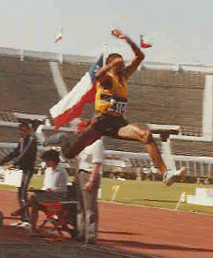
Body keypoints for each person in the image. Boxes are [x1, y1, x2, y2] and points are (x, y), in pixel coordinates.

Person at [45, 29, 185, 186]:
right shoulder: (108, 79)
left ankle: (165, 174)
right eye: (118, 66)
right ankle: (63, 138)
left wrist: (128, 40)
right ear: (112, 67)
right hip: (101, 122)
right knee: (70, 153)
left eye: (122, 65)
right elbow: (97, 76)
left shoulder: (123, 76)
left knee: (146, 134)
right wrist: (111, 64)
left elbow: (140, 57)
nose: (122, 68)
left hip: (118, 123)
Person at [0, 121, 37, 226]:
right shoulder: (21, 141)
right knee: (20, 193)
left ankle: (27, 219)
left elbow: (25, 154)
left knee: (23, 193)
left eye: (24, 130)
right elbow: (15, 153)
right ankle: (23, 218)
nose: (21, 132)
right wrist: (1, 162)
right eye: (20, 130)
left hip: (28, 170)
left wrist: (13, 163)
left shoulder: (31, 140)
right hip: (21, 170)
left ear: (28, 131)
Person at [75, 119, 104, 244]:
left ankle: (90, 236)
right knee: (80, 207)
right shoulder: (83, 143)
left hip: (89, 175)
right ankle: (81, 233)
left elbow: (97, 164)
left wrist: (91, 181)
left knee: (90, 208)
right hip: (81, 174)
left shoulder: (97, 144)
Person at [27, 149, 69, 233]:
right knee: (33, 198)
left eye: (47, 161)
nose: (45, 163)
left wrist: (52, 190)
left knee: (33, 198)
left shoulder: (62, 172)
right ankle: (33, 227)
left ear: (52, 161)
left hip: (58, 197)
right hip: (47, 195)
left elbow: (63, 188)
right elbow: (45, 186)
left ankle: (23, 209)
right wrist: (39, 190)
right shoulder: (47, 171)